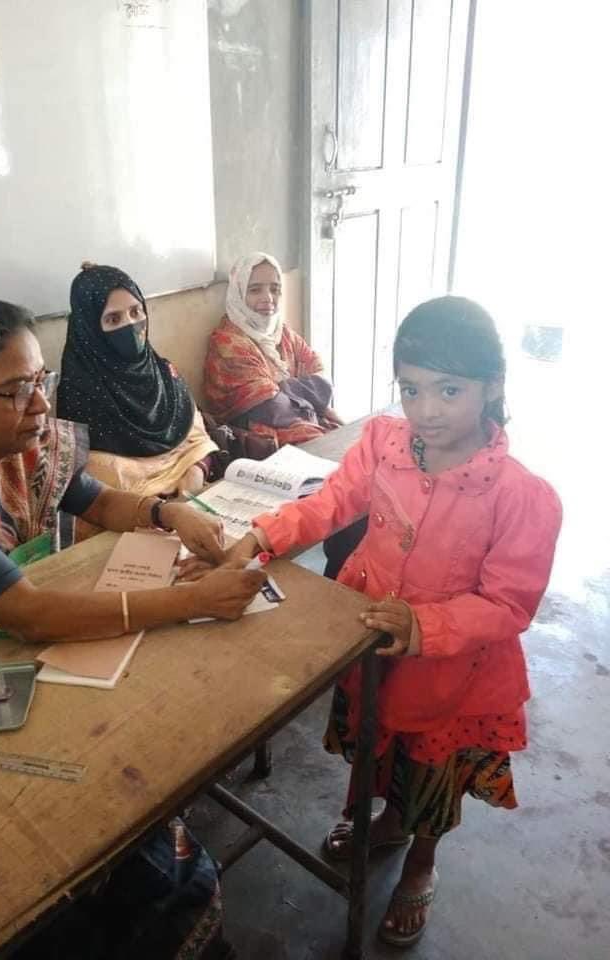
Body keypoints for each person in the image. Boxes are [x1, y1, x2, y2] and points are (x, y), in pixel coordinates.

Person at [183, 296, 562, 947]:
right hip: (366, 647)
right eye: (411, 389)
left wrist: (422, 626)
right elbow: (330, 504)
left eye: (450, 389)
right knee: (382, 753)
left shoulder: (521, 496)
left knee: (431, 778)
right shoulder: (385, 445)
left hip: (454, 679)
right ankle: (388, 822)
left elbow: (508, 605)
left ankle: (420, 864)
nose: (427, 410)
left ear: (492, 385)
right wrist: (261, 537)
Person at [0, 295, 258, 959]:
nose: (39, 405)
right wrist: (195, 599)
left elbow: (95, 498)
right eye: (14, 389)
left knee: (127, 806)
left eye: (41, 381)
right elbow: (28, 613)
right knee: (76, 861)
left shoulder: (10, 446)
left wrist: (169, 515)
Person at [57, 263, 220, 508]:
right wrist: (159, 510)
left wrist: (196, 472)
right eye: (113, 319)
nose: (130, 325)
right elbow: (93, 492)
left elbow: (199, 442)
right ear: (89, 330)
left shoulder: (164, 374)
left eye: (136, 312)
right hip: (132, 523)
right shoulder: (79, 396)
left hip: (195, 500)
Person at [203, 252, 342, 449]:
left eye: (275, 289)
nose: (268, 298)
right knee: (326, 449)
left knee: (350, 441)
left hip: (300, 418)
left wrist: (280, 387)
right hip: (257, 432)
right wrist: (302, 389)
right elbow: (273, 408)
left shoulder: (281, 332)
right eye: (255, 290)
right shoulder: (228, 343)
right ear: (239, 292)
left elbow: (323, 382)